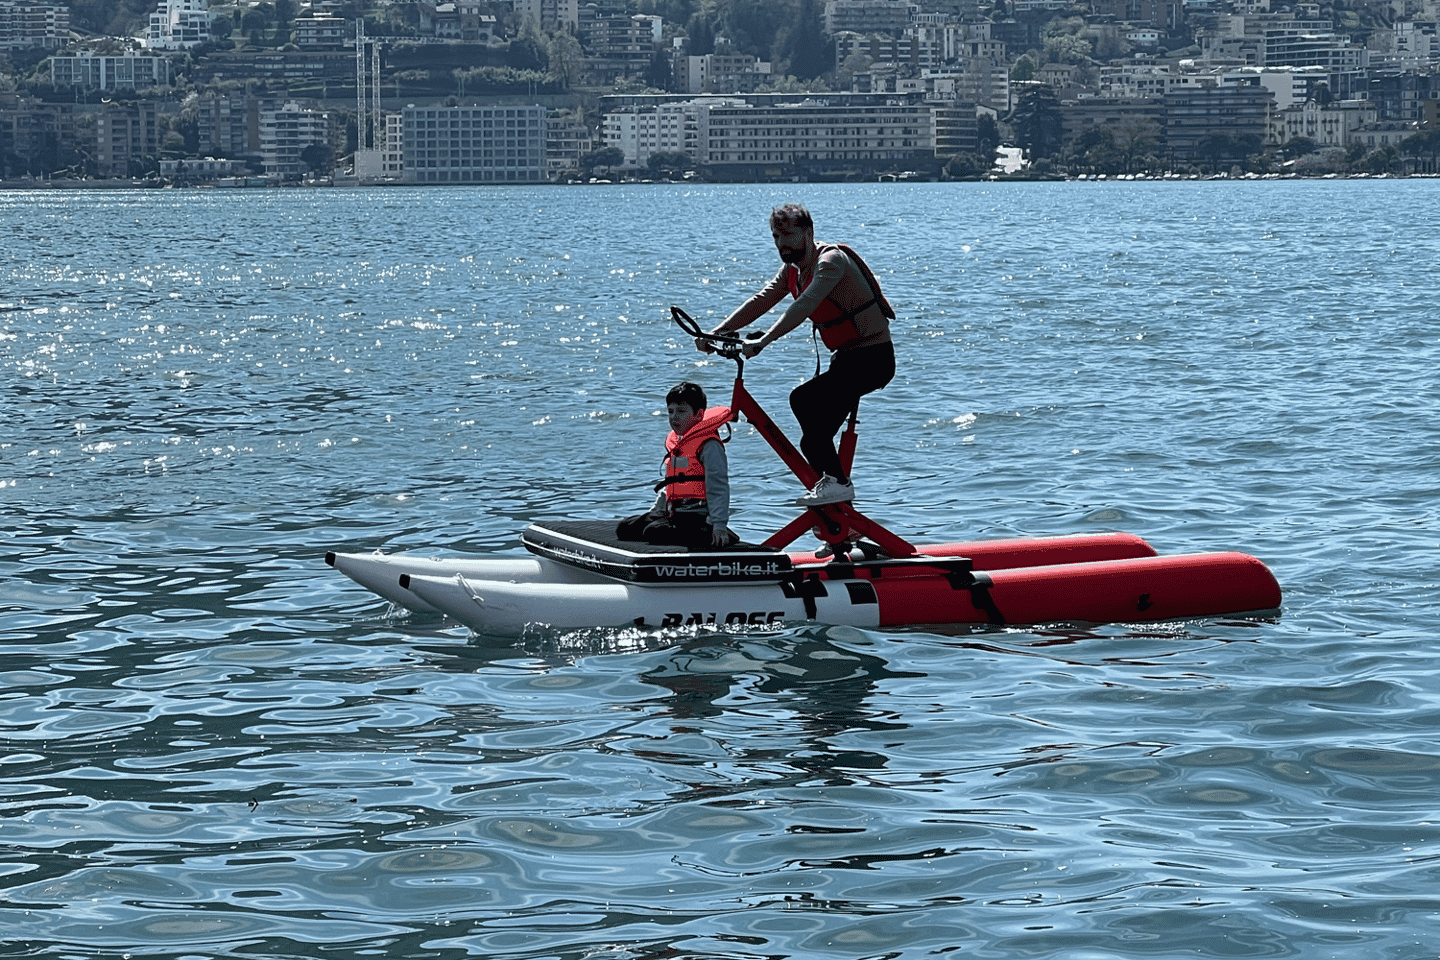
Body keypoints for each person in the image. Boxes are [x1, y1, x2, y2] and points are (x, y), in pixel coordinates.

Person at [700, 202, 896, 507]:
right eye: (776, 237)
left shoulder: (831, 261)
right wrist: (718, 331)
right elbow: (762, 299)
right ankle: (836, 506)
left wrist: (764, 340)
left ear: (808, 233)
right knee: (813, 441)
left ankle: (838, 484)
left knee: (802, 401)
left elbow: (804, 305)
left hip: (873, 359)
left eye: (788, 235)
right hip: (845, 360)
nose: (782, 243)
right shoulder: (792, 271)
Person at [616, 380, 738, 548]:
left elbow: (718, 487)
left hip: (699, 517)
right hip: (675, 513)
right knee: (624, 528)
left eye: (681, 411)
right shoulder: (678, 443)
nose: (674, 417)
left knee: (654, 532)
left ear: (699, 415)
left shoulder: (709, 446)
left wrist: (719, 526)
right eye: (670, 411)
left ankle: (717, 535)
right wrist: (656, 511)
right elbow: (671, 484)